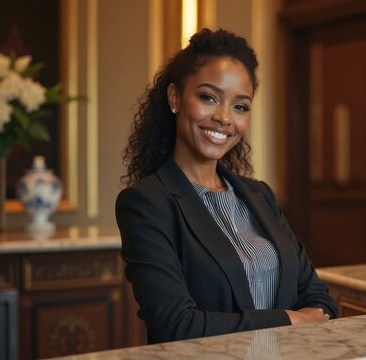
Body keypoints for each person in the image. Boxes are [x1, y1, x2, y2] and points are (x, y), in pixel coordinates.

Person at [116, 28, 337, 344]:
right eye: (208, 97)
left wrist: (300, 319)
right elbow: (176, 325)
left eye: (240, 106)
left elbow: (322, 302)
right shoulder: (145, 203)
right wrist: (290, 319)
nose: (224, 118)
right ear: (175, 98)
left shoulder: (260, 195)